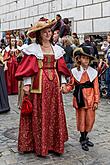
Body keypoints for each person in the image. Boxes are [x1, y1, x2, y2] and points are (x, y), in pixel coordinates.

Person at [15, 17, 71, 156]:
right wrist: (27, 85)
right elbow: (29, 69)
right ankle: (39, 144)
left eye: (49, 31)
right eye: (45, 31)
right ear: (39, 34)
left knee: (53, 112)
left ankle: (53, 143)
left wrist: (63, 83)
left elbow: (61, 69)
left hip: (54, 84)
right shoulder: (33, 49)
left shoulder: (57, 49)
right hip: (38, 85)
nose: (48, 34)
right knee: (40, 112)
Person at [62, 46, 100, 151]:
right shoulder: (75, 71)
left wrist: (96, 101)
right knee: (81, 119)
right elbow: (71, 85)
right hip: (80, 98)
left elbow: (96, 88)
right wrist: (65, 89)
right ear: (79, 59)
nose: (86, 60)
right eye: (84, 58)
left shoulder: (93, 72)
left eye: (88, 58)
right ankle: (83, 138)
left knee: (90, 119)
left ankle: (85, 136)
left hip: (90, 98)